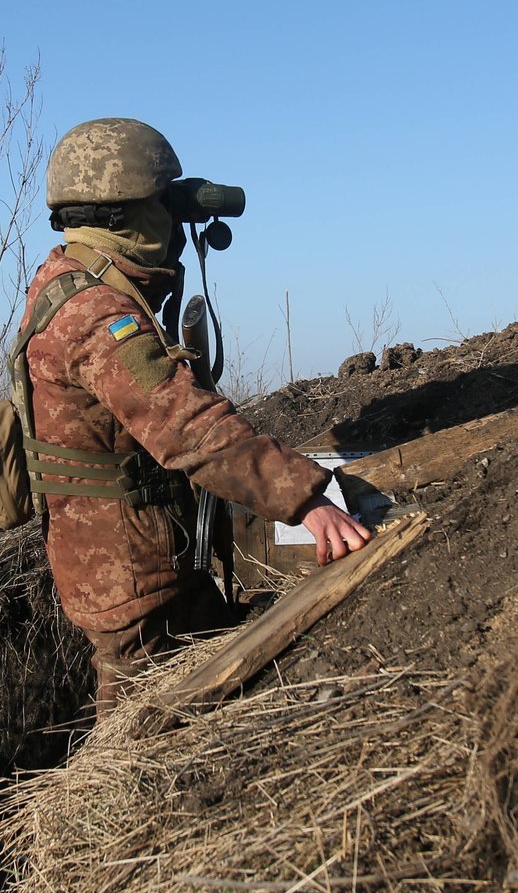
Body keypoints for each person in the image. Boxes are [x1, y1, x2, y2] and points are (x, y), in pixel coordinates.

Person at [19, 118, 370, 716]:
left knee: (219, 666)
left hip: (149, 554)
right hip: (128, 579)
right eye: (165, 200)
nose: (175, 216)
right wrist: (306, 499)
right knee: (143, 732)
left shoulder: (71, 278)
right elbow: (188, 426)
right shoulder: (97, 314)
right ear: (126, 213)